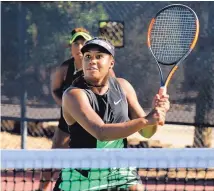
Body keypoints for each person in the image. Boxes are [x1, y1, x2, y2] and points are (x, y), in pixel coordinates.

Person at [53, 37, 170, 191]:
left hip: (119, 173)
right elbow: (100, 132)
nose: (92, 61)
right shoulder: (73, 95)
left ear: (111, 63)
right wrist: (147, 120)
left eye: (99, 56)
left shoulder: (124, 87)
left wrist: (156, 115)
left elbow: (146, 133)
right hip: (81, 179)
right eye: (88, 56)